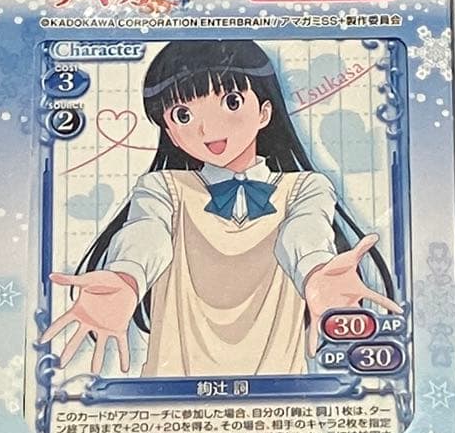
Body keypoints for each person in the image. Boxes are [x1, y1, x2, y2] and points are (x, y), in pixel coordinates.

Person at [42, 40, 401, 376]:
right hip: (171, 395)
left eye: (231, 101)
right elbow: (146, 234)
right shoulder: (163, 188)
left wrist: (316, 271)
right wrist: (126, 276)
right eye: (183, 114)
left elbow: (304, 233)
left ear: (264, 112)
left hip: (280, 396)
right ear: (169, 129)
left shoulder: (305, 188)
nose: (208, 127)